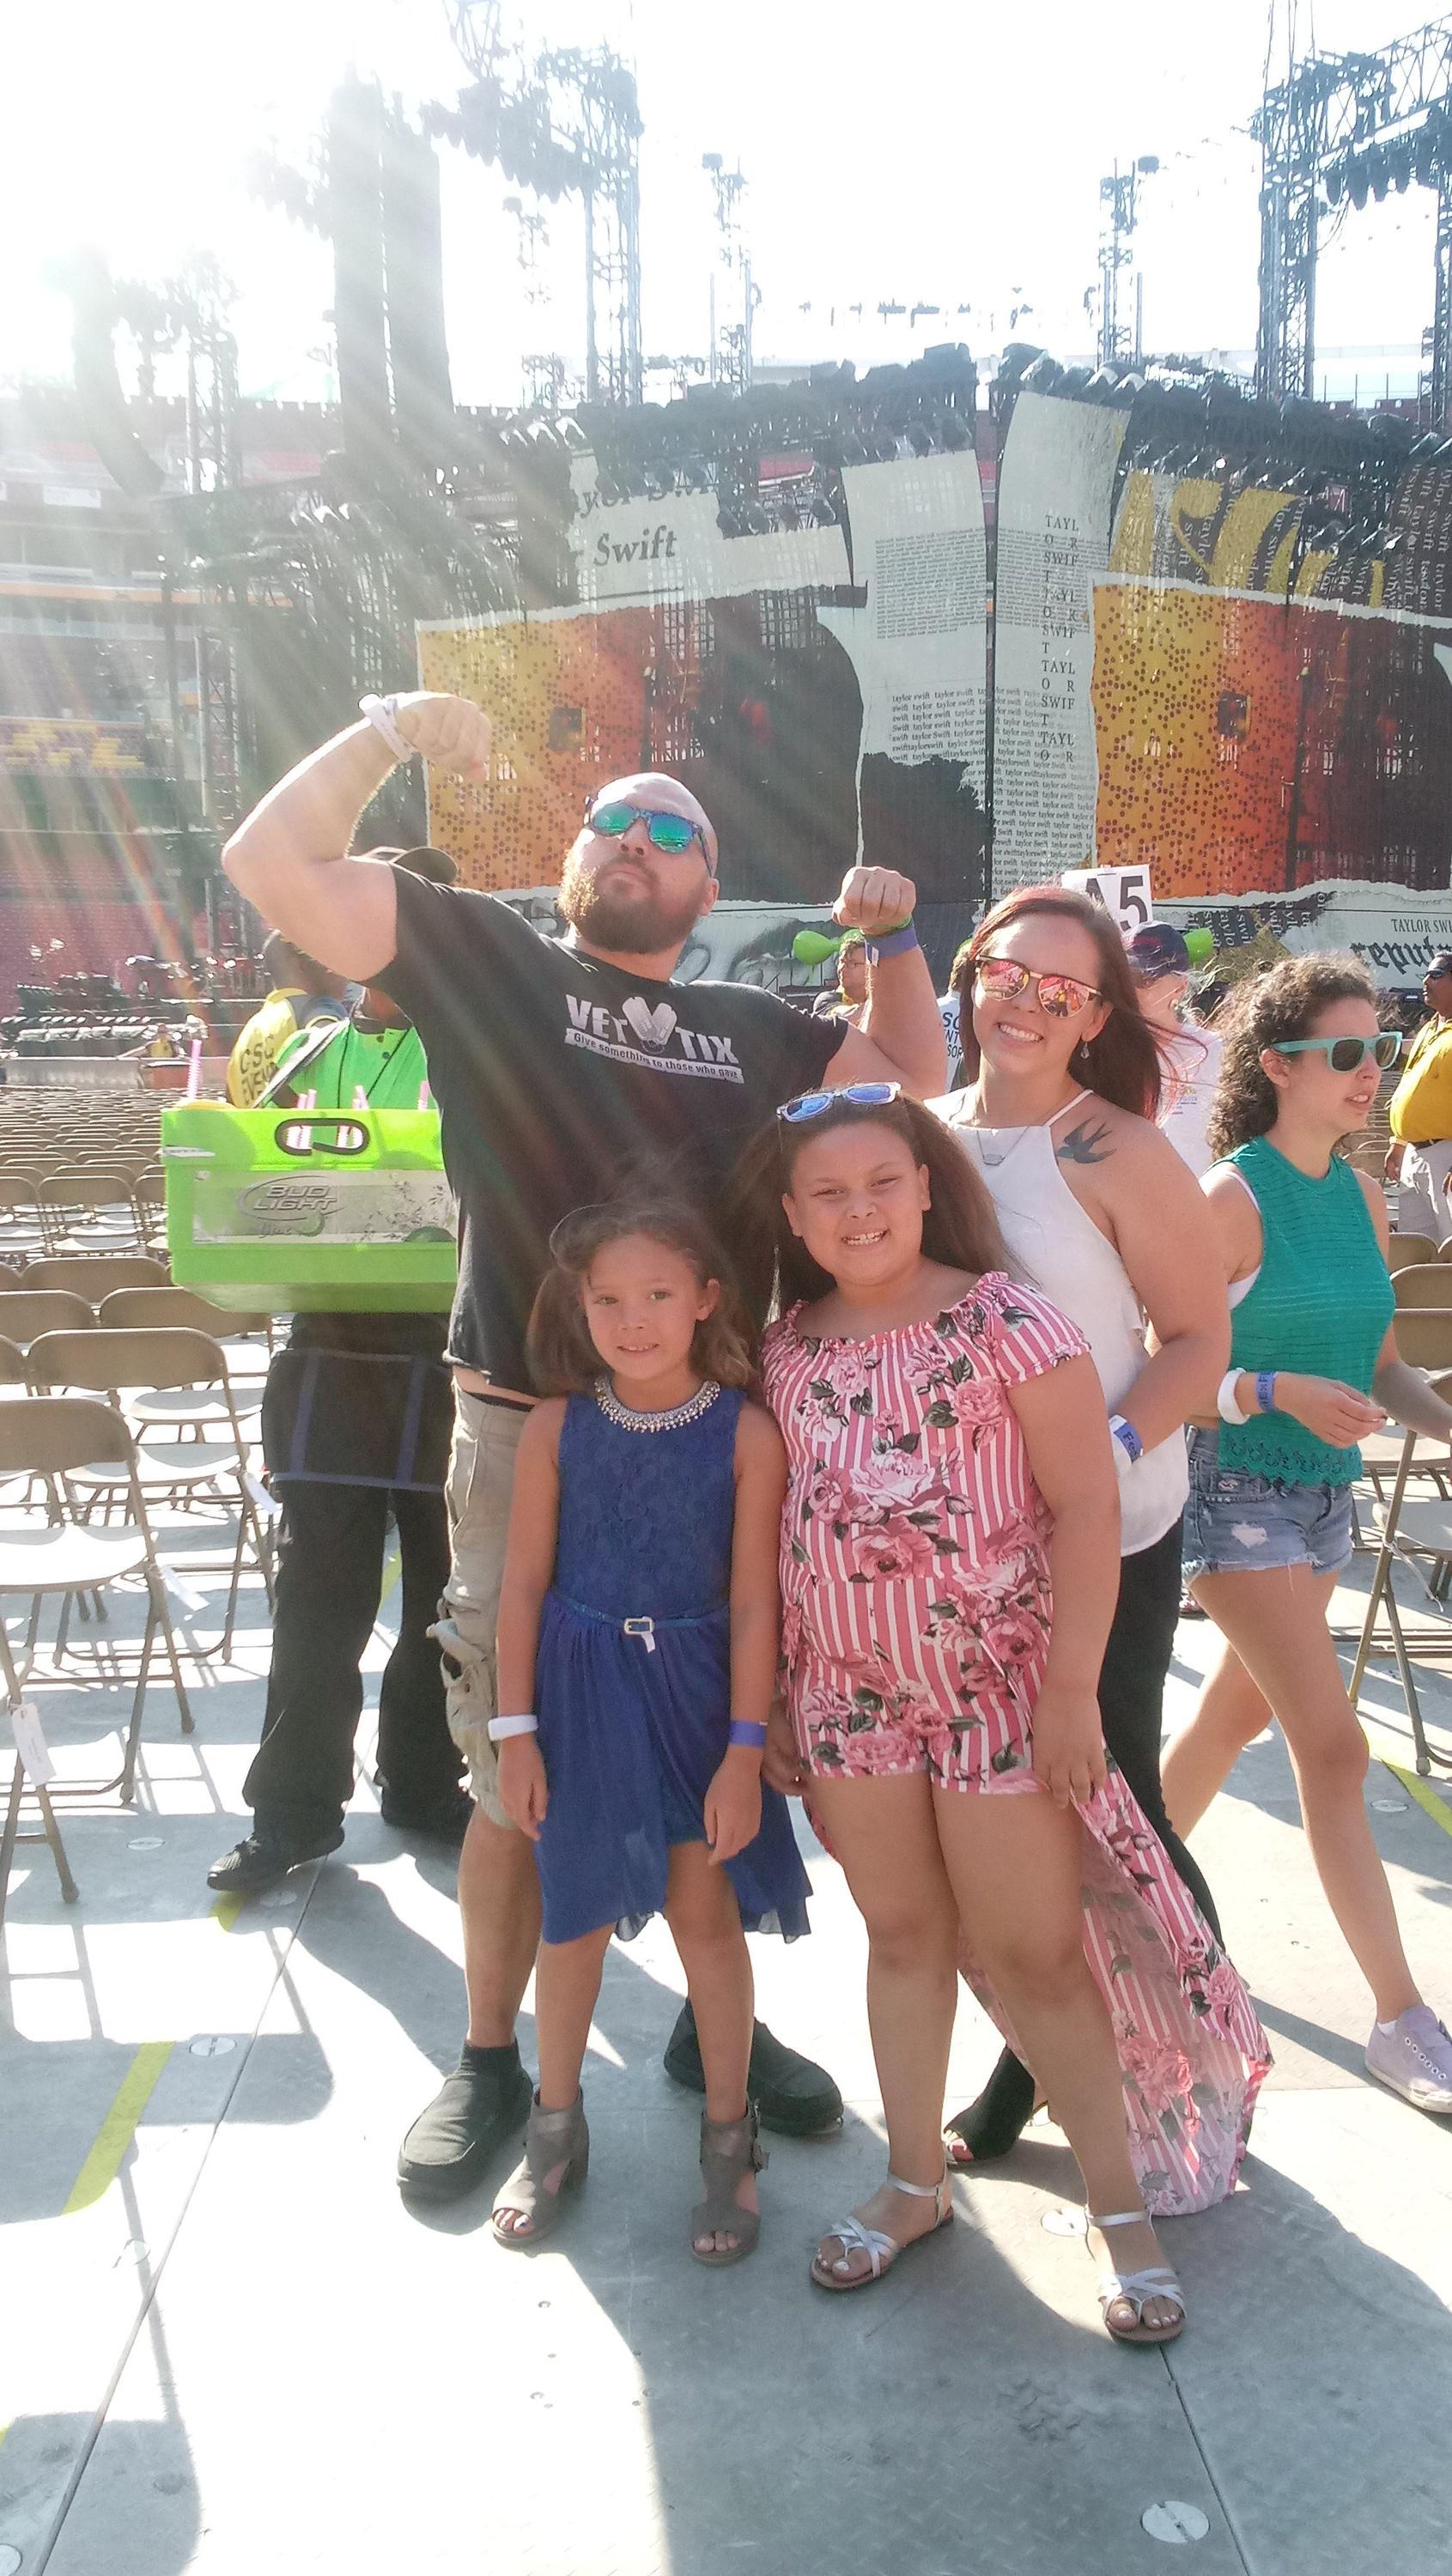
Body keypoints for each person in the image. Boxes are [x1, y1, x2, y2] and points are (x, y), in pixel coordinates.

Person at [220, 687, 946, 2198]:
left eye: (669, 829)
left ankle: (701, 2024)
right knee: (513, 1765)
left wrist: (889, 934)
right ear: (572, 857)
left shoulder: (751, 1026)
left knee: (702, 1742)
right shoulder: (482, 957)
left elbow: (913, 1075)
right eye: (610, 819)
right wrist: (386, 731)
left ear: (708, 880)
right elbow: (270, 865)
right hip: (523, 1422)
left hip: (709, 1436)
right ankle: (490, 2056)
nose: (634, 838)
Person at [734, 1087, 1265, 2337]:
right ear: (791, 1215)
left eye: (882, 1182)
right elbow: (777, 1528)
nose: (858, 1210)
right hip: (849, 1702)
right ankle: (913, 2181)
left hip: (999, 1698)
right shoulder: (782, 1350)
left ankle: (1117, 2208)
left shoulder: (1008, 1322)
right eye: (827, 1193)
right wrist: (780, 1699)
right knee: (901, 1938)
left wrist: (1071, 1693)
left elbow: (1085, 1508)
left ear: (927, 1187)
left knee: (1035, 1955)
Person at [930, 887, 1229, 2167]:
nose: (1026, 1004)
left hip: (1105, 1539)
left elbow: (1196, 1339)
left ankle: (1202, 2059)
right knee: (1000, 1825)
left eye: (1061, 991)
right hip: (958, 1553)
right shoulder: (922, 1131)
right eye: (1007, 974)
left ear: (1096, 1015)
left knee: (1114, 1809)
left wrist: (1092, 1464)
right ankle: (1038, 2058)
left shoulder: (1118, 1149)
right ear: (969, 974)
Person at [489, 1195, 810, 2260]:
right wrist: (515, 1731)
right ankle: (553, 2129)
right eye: (609, 1301)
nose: (633, 1321)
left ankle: (728, 2139)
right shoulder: (556, 1426)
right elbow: (521, 1585)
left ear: (705, 1299)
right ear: (578, 1307)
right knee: (571, 1918)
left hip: (695, 1702)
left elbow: (756, 1602)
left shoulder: (745, 1432)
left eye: (658, 1295)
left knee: (703, 1919)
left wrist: (743, 1752)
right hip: (578, 1698)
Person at [1162, 956, 1452, 2114]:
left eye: (1375, 1047)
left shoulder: (1361, 1193)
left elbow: (1381, 1365)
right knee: (1330, 1751)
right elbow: (1158, 1370)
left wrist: (1443, 1416)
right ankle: (1399, 2016)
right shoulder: (1227, 1199)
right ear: (1275, 1066)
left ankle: (1121, 1898)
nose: (1367, 1069)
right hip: (1232, 1490)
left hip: (1326, 1499)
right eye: (1342, 1051)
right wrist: (1271, 1388)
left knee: (1230, 1718)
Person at [208, 849, 467, 1898]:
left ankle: (423, 1780)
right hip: (327, 1353)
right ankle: (292, 1814)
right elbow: (251, 1189)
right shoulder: (303, 1051)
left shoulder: (479, 1046)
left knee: (446, 1599)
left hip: (455, 1353)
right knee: (317, 1599)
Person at [1126, 922, 1223, 1176]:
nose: (1131, 989)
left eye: (1144, 979)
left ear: (1180, 987)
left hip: (1199, 1195)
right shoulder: (1100, 1052)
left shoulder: (1214, 1052)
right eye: (1124, 978)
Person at [225, 931, 348, 1108]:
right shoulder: (318, 1009)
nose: (341, 970)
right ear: (300, 965)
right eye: (328, 958)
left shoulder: (248, 1034)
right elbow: (342, 1069)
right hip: (310, 1126)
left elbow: (230, 1106)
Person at [1385, 949, 1452, 1240]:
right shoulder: (1429, 1028)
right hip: (1415, 1157)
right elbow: (1411, 1084)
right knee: (1419, 1248)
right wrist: (1399, 1142)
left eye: (1436, 975)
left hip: (1446, 1157)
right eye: (1426, 974)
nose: (1425, 981)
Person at [811, 930, 868, 1024]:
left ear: (871, 968)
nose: (842, 968)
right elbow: (844, 1017)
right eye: (841, 962)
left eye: (852, 963)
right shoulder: (827, 999)